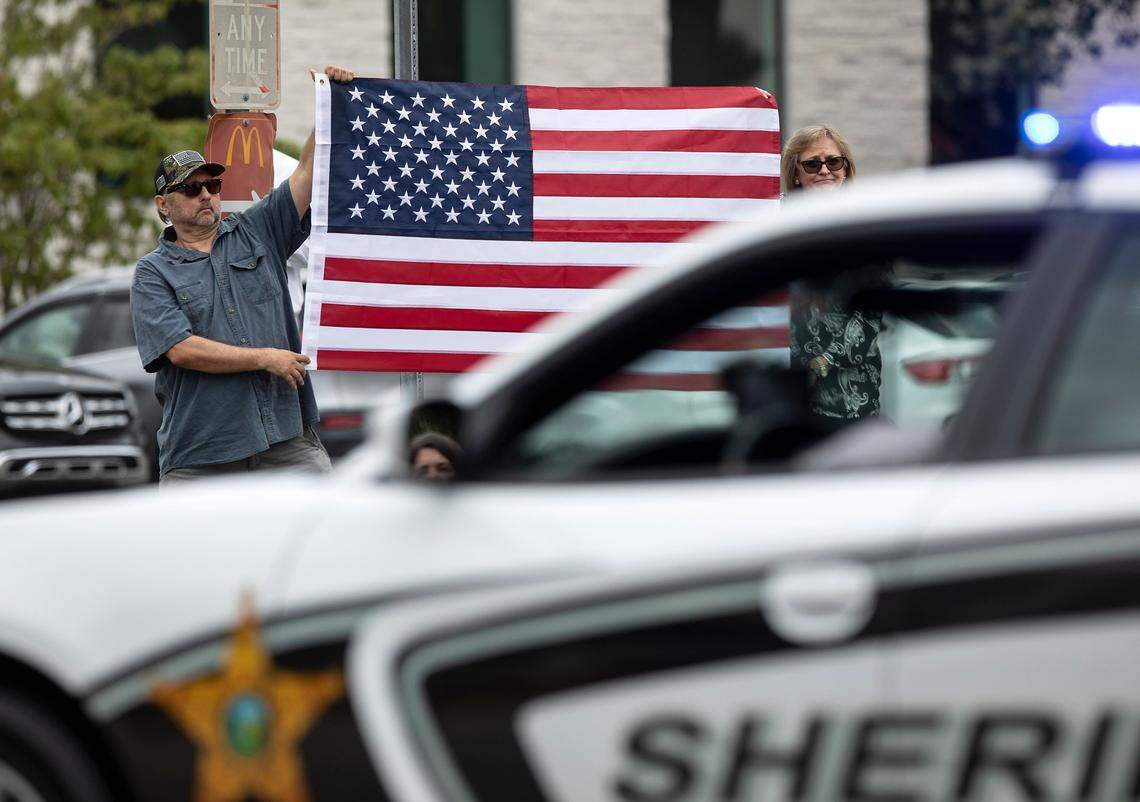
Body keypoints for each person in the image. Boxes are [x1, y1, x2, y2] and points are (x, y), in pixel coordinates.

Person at [131, 65, 356, 484]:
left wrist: (329, 100)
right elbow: (181, 349)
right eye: (191, 189)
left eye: (212, 186)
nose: (206, 195)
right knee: (196, 553)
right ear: (164, 206)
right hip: (203, 455)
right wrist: (264, 359)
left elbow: (306, 171)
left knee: (325, 538)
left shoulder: (257, 230)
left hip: (286, 441)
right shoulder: (152, 272)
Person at [783, 125, 883, 422]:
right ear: (796, 174)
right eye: (813, 164)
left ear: (846, 168)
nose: (824, 170)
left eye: (833, 162)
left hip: (849, 396)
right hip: (787, 389)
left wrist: (823, 362)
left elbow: (870, 313)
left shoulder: (866, 225)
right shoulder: (777, 222)